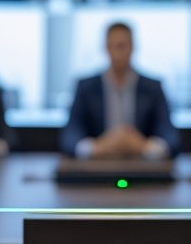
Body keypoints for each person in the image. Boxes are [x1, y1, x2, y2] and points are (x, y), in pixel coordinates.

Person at [61, 22, 180, 158]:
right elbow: (70, 136)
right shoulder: (86, 87)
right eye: (113, 46)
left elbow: (171, 136)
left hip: (142, 168)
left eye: (122, 46)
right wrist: (97, 146)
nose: (118, 53)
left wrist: (144, 146)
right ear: (106, 48)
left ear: (132, 47)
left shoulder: (153, 88)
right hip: (96, 167)